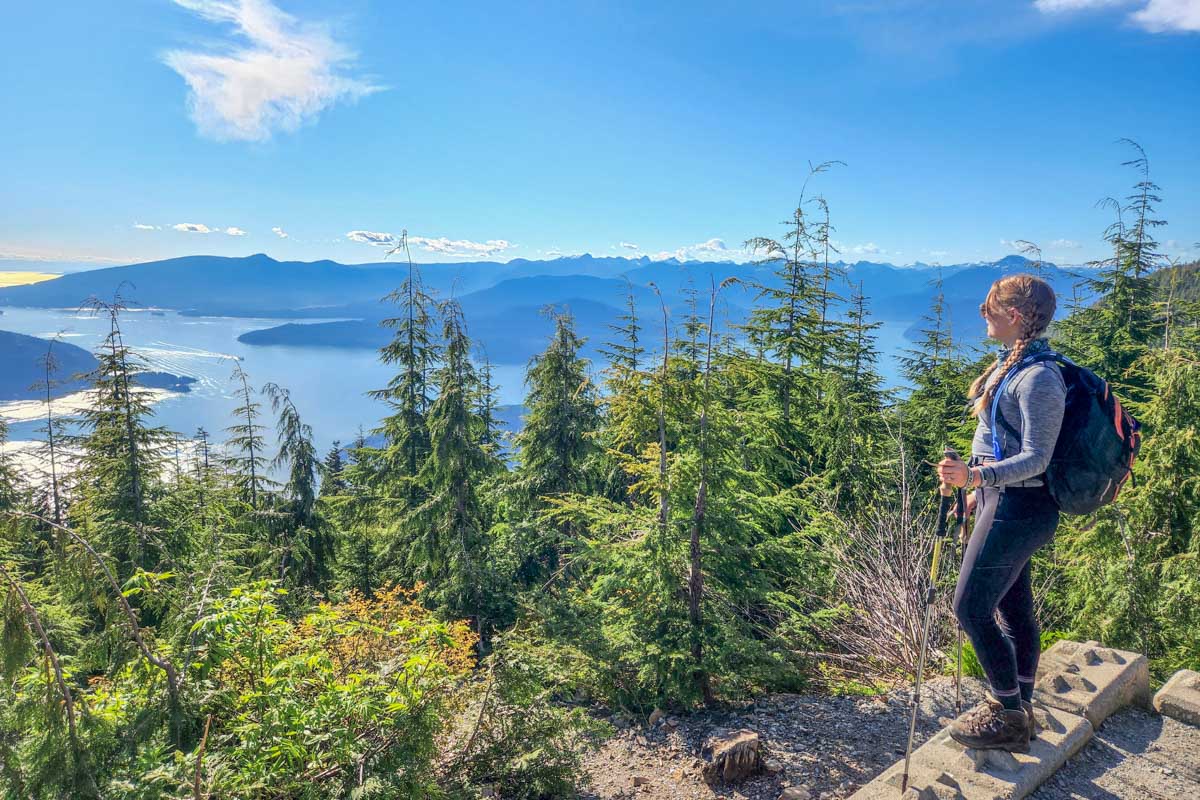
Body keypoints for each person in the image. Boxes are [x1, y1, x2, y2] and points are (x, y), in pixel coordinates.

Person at [936, 273, 1066, 753]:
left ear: (1013, 316)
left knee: (969, 606)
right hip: (1004, 500)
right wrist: (977, 487)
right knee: (1013, 607)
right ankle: (1021, 705)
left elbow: (1037, 457)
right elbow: (999, 443)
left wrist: (973, 479)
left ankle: (1007, 713)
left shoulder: (1039, 377)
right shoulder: (1012, 364)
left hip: (1021, 506)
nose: (982, 315)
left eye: (988, 308)